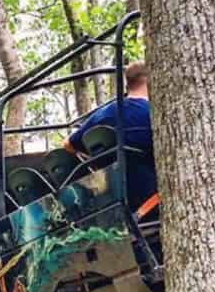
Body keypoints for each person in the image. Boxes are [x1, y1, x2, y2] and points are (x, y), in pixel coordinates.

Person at [64, 61, 157, 211]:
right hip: (152, 197)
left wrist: (95, 162)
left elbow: (68, 144)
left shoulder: (103, 113)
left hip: (114, 200)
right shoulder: (154, 114)